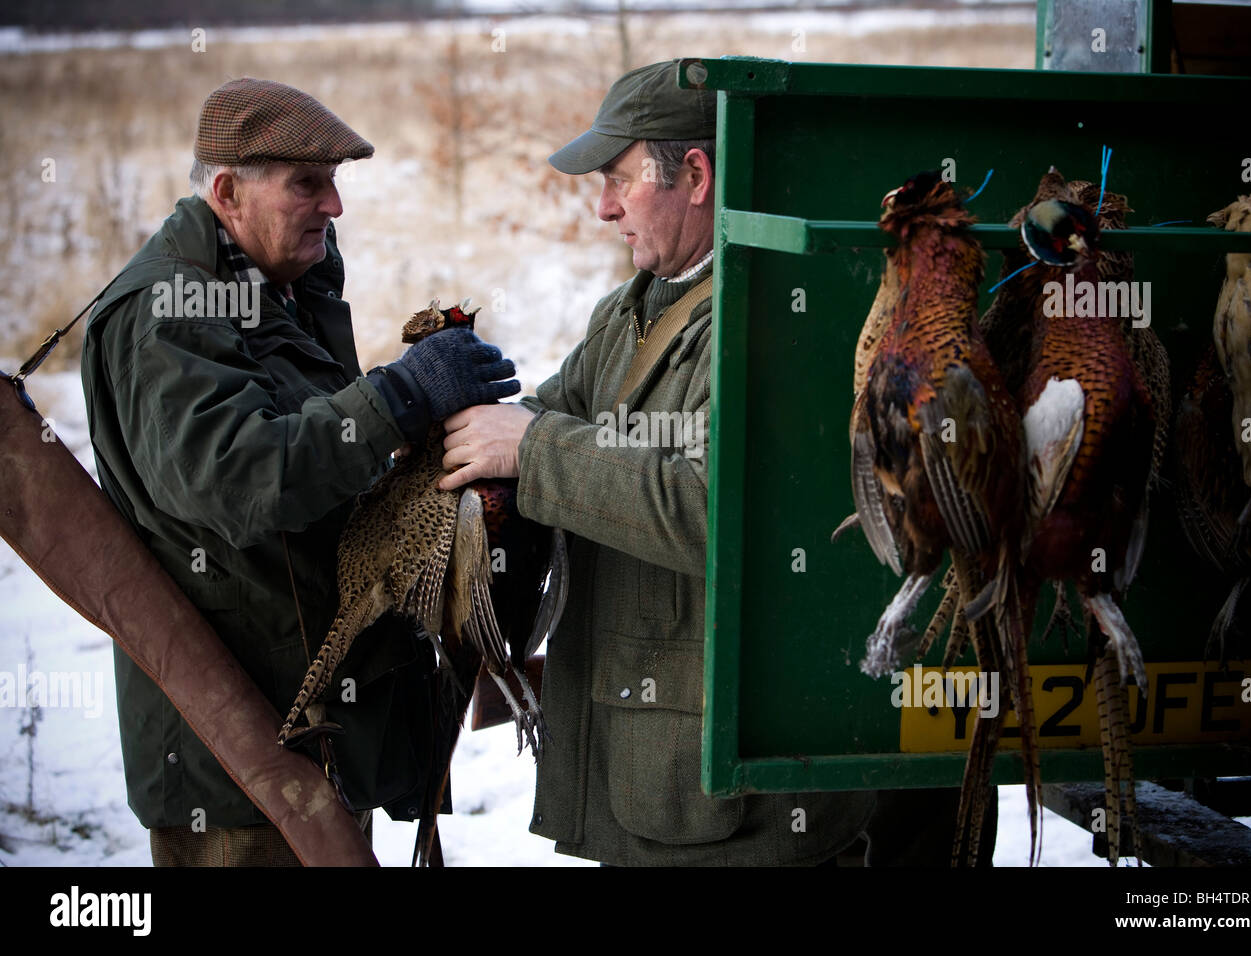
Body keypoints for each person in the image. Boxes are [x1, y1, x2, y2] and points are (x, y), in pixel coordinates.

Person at [439, 59, 878, 865]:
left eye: (618, 181)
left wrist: (532, 450)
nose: (603, 209)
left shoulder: (774, 314)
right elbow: (551, 418)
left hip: (730, 807)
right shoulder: (634, 306)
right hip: (646, 776)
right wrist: (438, 415)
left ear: (698, 174)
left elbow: (721, 507)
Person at [80, 77, 518, 866]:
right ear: (226, 192)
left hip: (315, 743)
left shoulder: (270, 286)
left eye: (336, 182)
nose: (334, 206)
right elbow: (241, 479)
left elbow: (306, 449)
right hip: (238, 768)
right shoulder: (168, 314)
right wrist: (397, 396)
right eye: (306, 185)